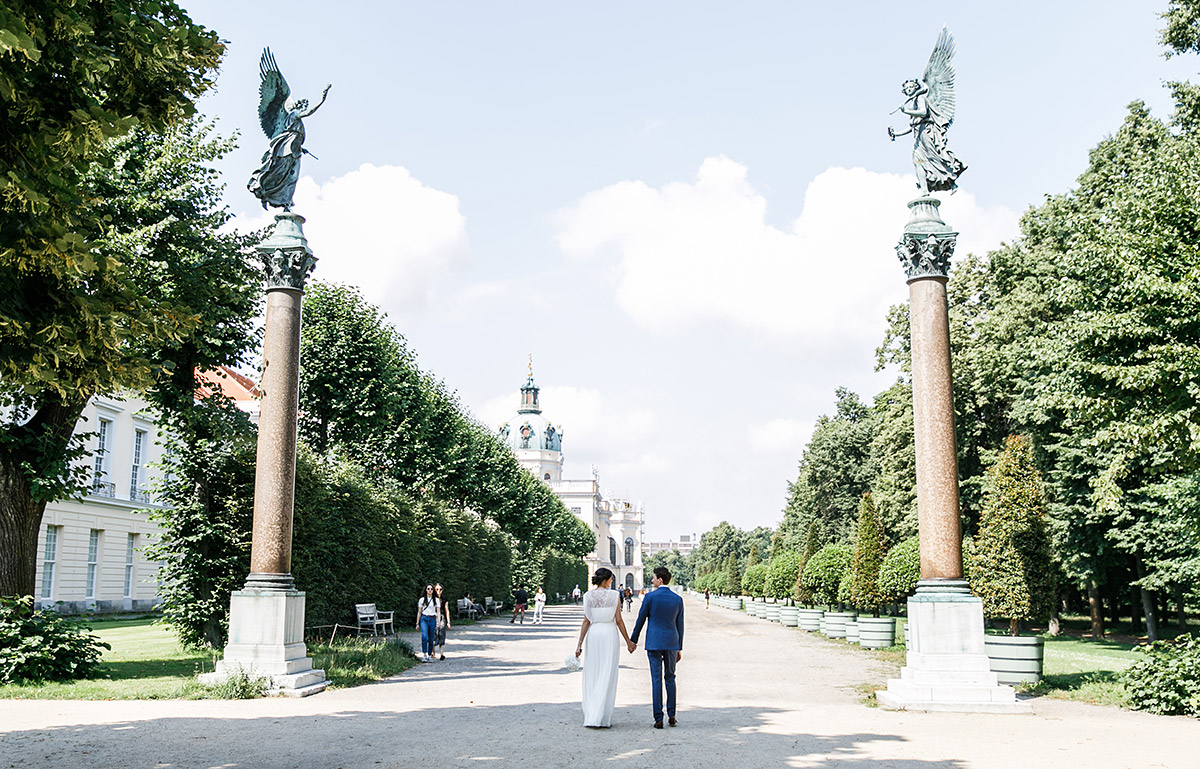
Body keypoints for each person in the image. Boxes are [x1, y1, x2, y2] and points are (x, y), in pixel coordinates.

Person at [576, 567, 633, 728]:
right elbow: (619, 620)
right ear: (606, 580)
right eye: (610, 579)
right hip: (609, 633)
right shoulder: (614, 595)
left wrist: (579, 643)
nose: (611, 582)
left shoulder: (587, 596)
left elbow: (586, 621)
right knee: (608, 672)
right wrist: (628, 641)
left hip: (594, 633)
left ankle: (592, 713)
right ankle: (602, 716)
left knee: (593, 671)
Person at [628, 566, 685, 729]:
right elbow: (680, 625)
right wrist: (679, 647)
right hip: (671, 643)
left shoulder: (650, 597)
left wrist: (633, 640)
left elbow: (640, 620)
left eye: (653, 577)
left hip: (654, 642)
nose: (652, 580)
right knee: (670, 677)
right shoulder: (677, 599)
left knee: (656, 679)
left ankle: (658, 718)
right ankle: (672, 715)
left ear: (660, 580)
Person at [415, 584, 441, 663]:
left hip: (432, 618)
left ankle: (430, 654)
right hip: (424, 618)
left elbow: (438, 611)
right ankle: (424, 654)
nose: (430, 590)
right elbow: (419, 612)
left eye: (431, 589)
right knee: (424, 636)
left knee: (431, 638)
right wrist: (417, 623)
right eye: (428, 589)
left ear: (433, 591)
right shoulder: (422, 600)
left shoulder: (436, 600)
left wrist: (438, 621)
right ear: (425, 590)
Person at [433, 583, 452, 660]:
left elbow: (447, 610)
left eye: (440, 589)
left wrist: (448, 622)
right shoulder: (432, 599)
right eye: (437, 589)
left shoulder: (444, 599)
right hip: (433, 617)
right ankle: (433, 653)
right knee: (433, 634)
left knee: (442, 633)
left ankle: (441, 654)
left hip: (442, 617)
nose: (439, 591)